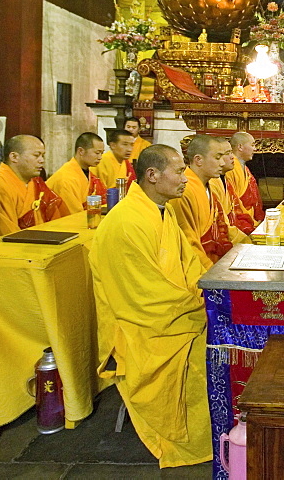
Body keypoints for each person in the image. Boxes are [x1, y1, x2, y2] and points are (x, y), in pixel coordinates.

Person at [88, 144, 213, 468]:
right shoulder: (126, 223)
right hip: (146, 326)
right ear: (153, 175)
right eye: (179, 171)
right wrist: (196, 306)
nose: (185, 178)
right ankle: (191, 441)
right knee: (206, 352)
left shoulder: (162, 209)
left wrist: (203, 295)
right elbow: (140, 295)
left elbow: (187, 263)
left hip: (178, 308)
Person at [169, 135, 240, 262]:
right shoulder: (184, 191)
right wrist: (210, 274)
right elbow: (188, 244)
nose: (222, 163)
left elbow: (224, 227)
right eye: (217, 158)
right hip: (200, 266)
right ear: (198, 160)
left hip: (214, 260)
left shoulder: (209, 187)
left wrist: (250, 241)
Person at [0, 135, 66, 236]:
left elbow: (56, 216)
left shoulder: (34, 183)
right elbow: (8, 236)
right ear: (14, 157)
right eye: (36, 155)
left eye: (42, 155)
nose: (41, 160)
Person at [46, 132, 108, 215]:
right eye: (97, 153)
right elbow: (73, 215)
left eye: (102, 153)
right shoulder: (66, 178)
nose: (100, 157)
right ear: (81, 151)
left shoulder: (87, 174)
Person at [211, 140, 251, 246]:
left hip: (231, 227)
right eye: (227, 153)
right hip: (219, 237)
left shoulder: (224, 180)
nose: (232, 157)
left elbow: (238, 207)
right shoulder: (212, 183)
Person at [224, 131, 265, 234]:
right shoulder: (230, 169)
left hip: (249, 218)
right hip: (240, 221)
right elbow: (233, 203)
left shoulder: (244, 168)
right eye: (252, 145)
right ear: (240, 147)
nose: (255, 149)